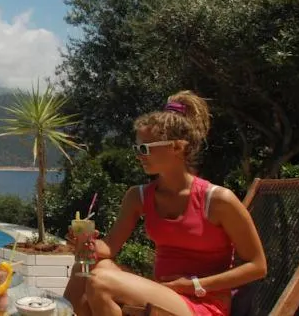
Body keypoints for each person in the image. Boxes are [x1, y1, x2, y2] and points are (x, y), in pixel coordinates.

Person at [63, 91, 267, 316]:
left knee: (101, 283)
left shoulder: (218, 200)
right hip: (163, 292)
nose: (139, 155)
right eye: (137, 148)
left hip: (204, 302)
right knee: (85, 268)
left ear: (177, 147)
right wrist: (87, 244)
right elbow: (109, 247)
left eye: (145, 148)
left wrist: (194, 285)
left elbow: (258, 266)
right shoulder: (137, 197)